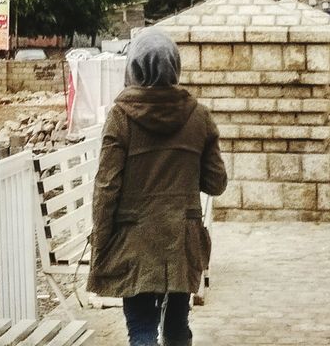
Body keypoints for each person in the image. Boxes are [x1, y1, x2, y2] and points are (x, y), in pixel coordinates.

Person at [87, 29, 227, 346]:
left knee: (141, 330)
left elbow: (106, 188)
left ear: (132, 68)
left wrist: (101, 244)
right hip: (182, 241)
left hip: (133, 242)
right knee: (178, 326)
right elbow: (216, 183)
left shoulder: (120, 118)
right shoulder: (199, 117)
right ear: (174, 67)